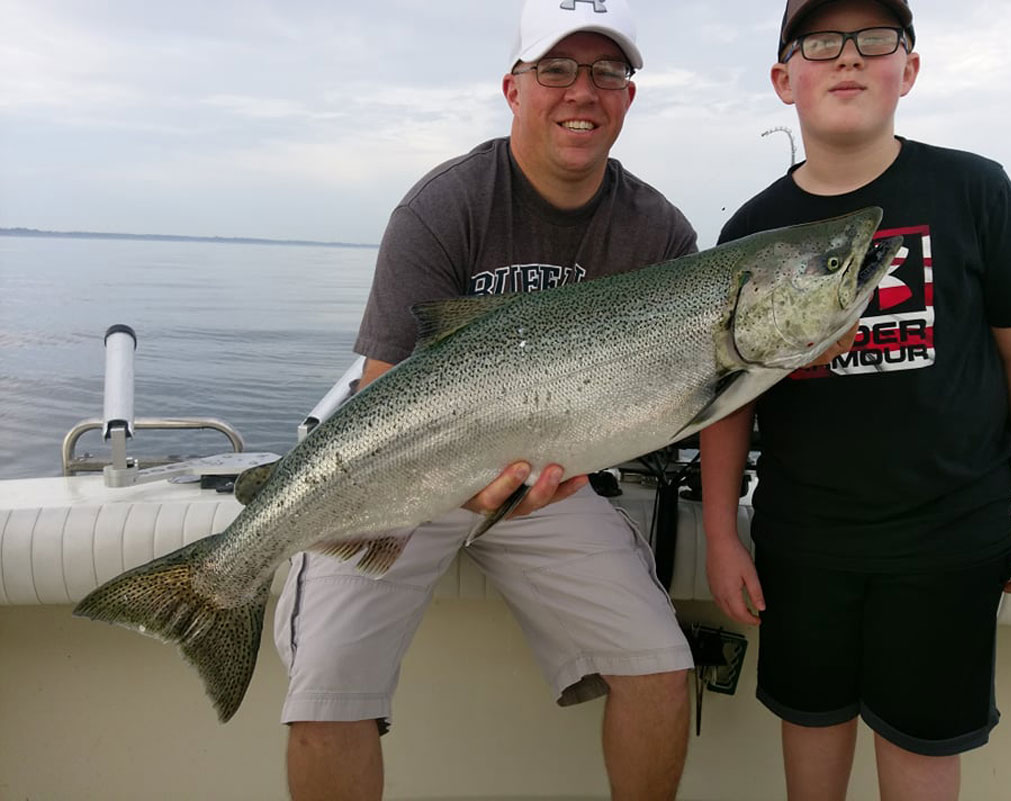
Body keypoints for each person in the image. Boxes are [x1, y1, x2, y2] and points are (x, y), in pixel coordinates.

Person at [274, 1, 699, 799]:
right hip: (405, 471)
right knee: (327, 695)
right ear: (513, 87)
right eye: (557, 68)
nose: (584, 91)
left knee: (662, 667)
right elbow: (380, 394)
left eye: (609, 71)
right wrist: (451, 483)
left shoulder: (662, 236)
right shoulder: (441, 207)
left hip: (551, 484)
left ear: (629, 97)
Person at [700, 1, 1011, 800]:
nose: (849, 59)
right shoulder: (752, 228)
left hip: (951, 537)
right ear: (782, 77)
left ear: (911, 67)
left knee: (923, 759)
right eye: (822, 41)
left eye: (875, 40)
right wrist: (723, 534)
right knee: (813, 755)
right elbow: (728, 401)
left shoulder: (975, 188)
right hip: (804, 543)